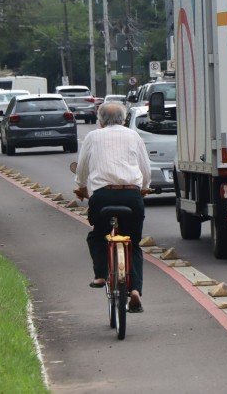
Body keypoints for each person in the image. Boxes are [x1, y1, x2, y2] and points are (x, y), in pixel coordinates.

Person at [74, 101, 151, 313]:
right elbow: (145, 167)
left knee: (97, 235)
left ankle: (100, 275)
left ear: (100, 120)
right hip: (131, 195)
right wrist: (144, 187)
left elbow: (82, 168)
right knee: (133, 242)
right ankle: (135, 290)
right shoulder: (133, 135)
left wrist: (81, 187)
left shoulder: (92, 137)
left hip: (102, 196)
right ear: (124, 119)